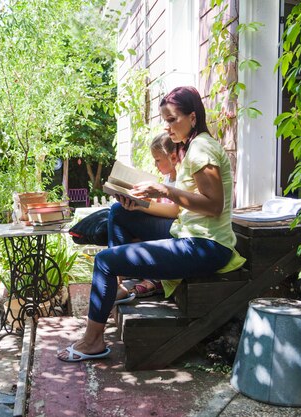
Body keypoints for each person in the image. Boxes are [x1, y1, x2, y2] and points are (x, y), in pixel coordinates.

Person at [58, 86, 242, 362]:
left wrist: (165, 191)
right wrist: (141, 202)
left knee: (106, 262)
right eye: (164, 121)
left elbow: (214, 206)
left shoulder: (201, 149)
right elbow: (181, 208)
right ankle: (117, 288)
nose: (167, 127)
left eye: (172, 120)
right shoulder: (192, 147)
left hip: (206, 246)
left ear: (192, 117)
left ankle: (93, 340)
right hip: (188, 231)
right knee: (119, 213)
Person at [114, 132, 179, 303]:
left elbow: (174, 211)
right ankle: (118, 280)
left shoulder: (181, 179)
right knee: (118, 212)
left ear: (172, 157)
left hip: (176, 230)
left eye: (158, 160)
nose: (155, 164)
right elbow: (160, 206)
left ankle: (117, 281)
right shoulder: (166, 178)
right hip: (164, 226)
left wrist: (144, 207)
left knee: (117, 212)